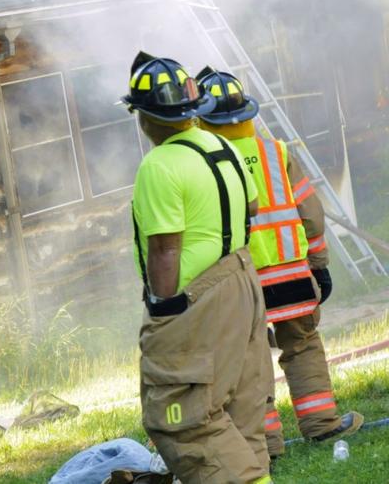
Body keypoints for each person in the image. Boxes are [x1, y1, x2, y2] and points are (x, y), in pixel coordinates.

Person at [122, 52, 272, 484]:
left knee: (182, 416)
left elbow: (166, 249)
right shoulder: (220, 145)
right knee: (239, 410)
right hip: (243, 279)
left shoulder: (159, 164)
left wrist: (162, 307)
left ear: (145, 117)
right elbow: (253, 204)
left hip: (194, 298)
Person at [196, 67, 362, 457]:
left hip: (241, 284)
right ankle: (321, 424)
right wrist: (318, 263)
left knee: (249, 362)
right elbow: (311, 213)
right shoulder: (277, 152)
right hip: (291, 274)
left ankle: (267, 444)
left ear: (202, 118)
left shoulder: (206, 161)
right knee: (302, 344)